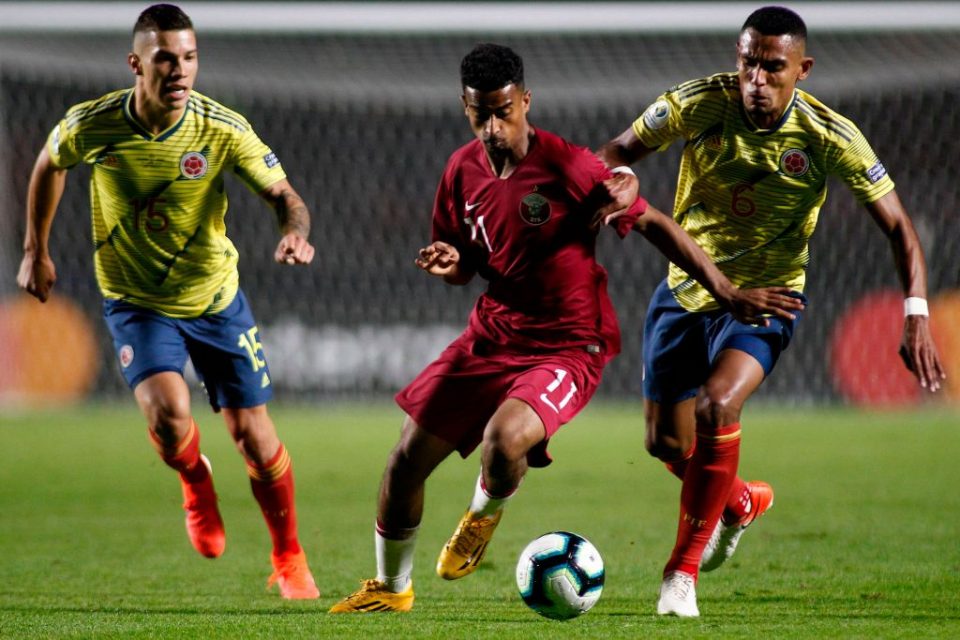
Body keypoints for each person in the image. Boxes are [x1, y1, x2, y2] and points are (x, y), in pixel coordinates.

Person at [328, 42, 802, 614]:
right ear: (465, 108)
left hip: (569, 343)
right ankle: (391, 587)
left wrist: (725, 291)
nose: (494, 125)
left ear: (526, 101)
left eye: (505, 110)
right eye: (482, 113)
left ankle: (481, 516)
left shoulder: (569, 167)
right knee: (405, 459)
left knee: (503, 442)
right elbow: (466, 263)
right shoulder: (460, 171)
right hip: (492, 333)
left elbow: (656, 224)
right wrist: (452, 265)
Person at [599, 5, 946, 618]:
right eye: (747, 63)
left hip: (767, 298)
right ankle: (736, 504)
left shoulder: (828, 136)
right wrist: (618, 180)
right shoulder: (697, 102)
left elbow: (898, 227)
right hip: (684, 291)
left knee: (718, 404)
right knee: (662, 442)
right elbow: (617, 152)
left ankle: (680, 575)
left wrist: (915, 311)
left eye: (772, 67)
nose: (756, 78)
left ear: (802, 69)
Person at [16, 4, 320, 599]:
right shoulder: (93, 124)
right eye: (165, 59)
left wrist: (295, 231)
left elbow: (285, 195)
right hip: (136, 300)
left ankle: (288, 556)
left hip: (214, 298)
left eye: (189, 58)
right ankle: (194, 479)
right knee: (168, 415)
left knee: (255, 440)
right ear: (136, 64)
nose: (180, 71)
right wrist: (36, 249)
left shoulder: (221, 127)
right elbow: (50, 162)